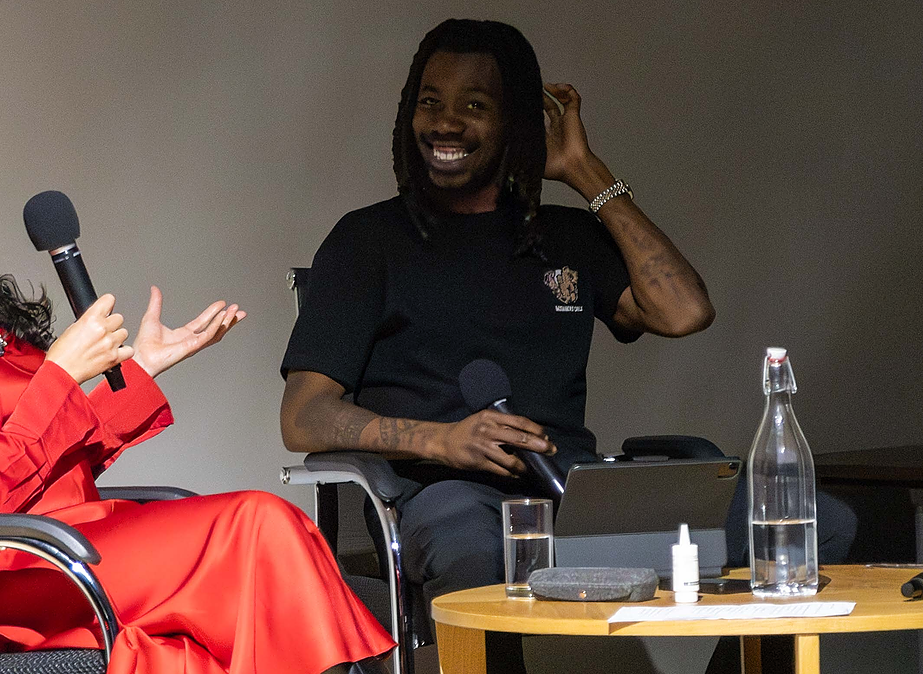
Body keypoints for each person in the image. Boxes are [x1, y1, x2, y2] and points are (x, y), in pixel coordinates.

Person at [0, 65, 393, 674]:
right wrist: (59, 376)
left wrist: (140, 370)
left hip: (57, 544)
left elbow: (43, 460)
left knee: (198, 644)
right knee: (256, 526)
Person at [280, 18, 854, 635]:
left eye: (474, 106)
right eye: (430, 102)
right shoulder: (367, 242)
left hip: (577, 491)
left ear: (515, 122)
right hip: (450, 497)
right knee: (471, 546)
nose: (445, 123)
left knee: (820, 524)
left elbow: (684, 311)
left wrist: (585, 171)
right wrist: (440, 440)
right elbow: (302, 415)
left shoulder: (565, 237)